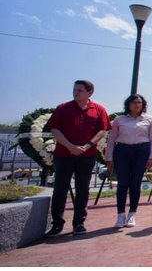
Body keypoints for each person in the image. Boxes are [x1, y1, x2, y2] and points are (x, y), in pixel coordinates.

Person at [44, 80, 110, 237]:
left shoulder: (98, 109)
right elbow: (54, 129)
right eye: (74, 89)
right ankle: (57, 224)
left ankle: (79, 223)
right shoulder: (63, 108)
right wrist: (70, 146)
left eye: (80, 90)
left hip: (86, 155)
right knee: (60, 188)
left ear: (90, 92)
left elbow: (102, 130)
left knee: (83, 189)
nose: (76, 92)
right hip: (64, 155)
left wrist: (87, 146)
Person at [105, 93, 152, 228]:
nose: (137, 105)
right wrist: (109, 158)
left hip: (142, 151)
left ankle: (132, 214)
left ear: (143, 105)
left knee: (135, 183)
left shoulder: (150, 119)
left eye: (139, 102)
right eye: (134, 102)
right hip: (122, 151)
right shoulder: (119, 120)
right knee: (123, 183)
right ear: (128, 104)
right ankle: (120, 215)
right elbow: (111, 139)